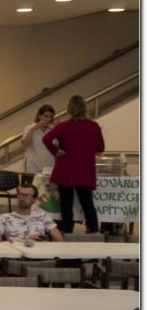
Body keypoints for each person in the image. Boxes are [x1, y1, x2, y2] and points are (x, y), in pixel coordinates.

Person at [41, 95, 105, 234]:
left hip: (66, 169)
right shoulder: (94, 126)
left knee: (66, 204)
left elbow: (46, 138)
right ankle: (94, 231)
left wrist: (56, 151)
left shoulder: (63, 126)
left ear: (69, 109)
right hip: (85, 170)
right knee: (87, 203)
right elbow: (101, 148)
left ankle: (67, 232)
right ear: (85, 108)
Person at [0, 184, 64, 242]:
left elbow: (60, 241)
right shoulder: (4, 218)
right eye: (20, 194)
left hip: (39, 255)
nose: (22, 198)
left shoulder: (43, 216)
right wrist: (25, 241)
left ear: (34, 200)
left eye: (26, 196)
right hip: (16, 256)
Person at [19, 104, 56, 174]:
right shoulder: (29, 128)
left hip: (49, 167)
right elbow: (24, 145)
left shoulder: (53, 128)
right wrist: (33, 129)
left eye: (51, 117)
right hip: (33, 167)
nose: (48, 119)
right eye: (46, 116)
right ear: (39, 116)